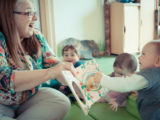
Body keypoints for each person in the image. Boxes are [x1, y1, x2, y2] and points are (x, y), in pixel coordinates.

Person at [0, 0, 75, 119]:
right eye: (29, 13)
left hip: (27, 99)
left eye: (34, 12)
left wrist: (75, 80)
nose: (35, 18)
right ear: (9, 15)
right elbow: (4, 79)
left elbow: (54, 64)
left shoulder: (36, 37)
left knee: (61, 101)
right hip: (2, 105)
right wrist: (51, 72)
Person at [88, 40, 160, 120]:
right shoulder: (154, 75)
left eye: (143, 54)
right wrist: (139, 89)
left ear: (157, 61)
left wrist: (102, 80)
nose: (139, 57)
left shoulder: (150, 74)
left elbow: (126, 84)